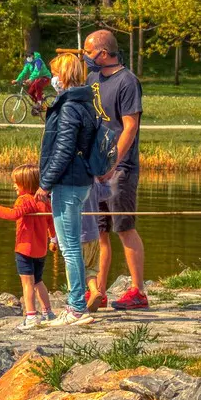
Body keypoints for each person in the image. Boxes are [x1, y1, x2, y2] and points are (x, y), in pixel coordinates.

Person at [83, 30, 147, 312]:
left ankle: (138, 291)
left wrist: (113, 164)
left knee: (124, 228)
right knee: (100, 232)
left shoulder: (127, 81)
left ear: (103, 53)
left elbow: (130, 126)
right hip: (95, 169)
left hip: (120, 168)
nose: (85, 57)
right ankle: (99, 291)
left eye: (88, 52)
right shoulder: (93, 79)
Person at [37, 51, 99, 324]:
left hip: (67, 182)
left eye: (55, 74)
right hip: (79, 179)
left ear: (65, 75)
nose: (53, 79)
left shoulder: (71, 106)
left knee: (69, 247)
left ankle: (75, 307)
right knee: (71, 244)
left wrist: (45, 184)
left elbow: (63, 150)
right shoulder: (83, 102)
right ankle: (76, 304)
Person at [0, 165, 55, 330]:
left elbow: (13, 215)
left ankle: (31, 317)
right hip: (40, 250)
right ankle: (48, 313)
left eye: (16, 183)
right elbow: (51, 222)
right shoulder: (44, 200)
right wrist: (54, 240)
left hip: (24, 249)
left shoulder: (24, 200)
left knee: (27, 283)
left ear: (26, 184)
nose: (13, 185)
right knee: (38, 281)